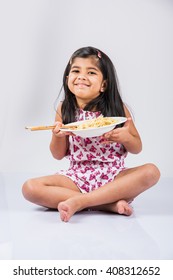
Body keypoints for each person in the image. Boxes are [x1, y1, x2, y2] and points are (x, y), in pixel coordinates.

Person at [22, 46, 160, 222]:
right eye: (76, 71)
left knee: (151, 172)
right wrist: (58, 136)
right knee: (30, 188)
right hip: (76, 176)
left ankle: (81, 201)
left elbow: (137, 147)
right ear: (67, 79)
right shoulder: (64, 109)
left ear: (104, 84)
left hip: (114, 177)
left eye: (91, 72)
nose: (81, 76)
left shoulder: (117, 109)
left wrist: (125, 138)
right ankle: (107, 204)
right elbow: (57, 155)